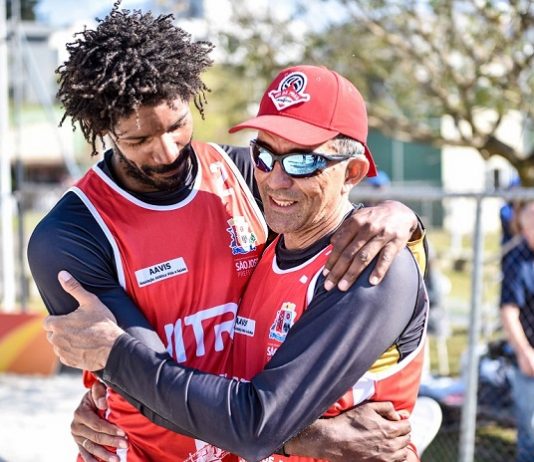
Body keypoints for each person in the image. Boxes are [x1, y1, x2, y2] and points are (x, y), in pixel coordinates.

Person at [43, 64, 428, 462]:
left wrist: (114, 355)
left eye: (302, 162)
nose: (276, 180)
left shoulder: (369, 267)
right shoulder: (269, 246)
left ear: (353, 171)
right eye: (263, 154)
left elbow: (255, 425)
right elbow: (232, 403)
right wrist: (114, 395)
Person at [500, 200, 534, 462]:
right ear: (522, 227)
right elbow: (509, 311)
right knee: (530, 433)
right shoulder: (518, 259)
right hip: (530, 356)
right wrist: (525, 352)